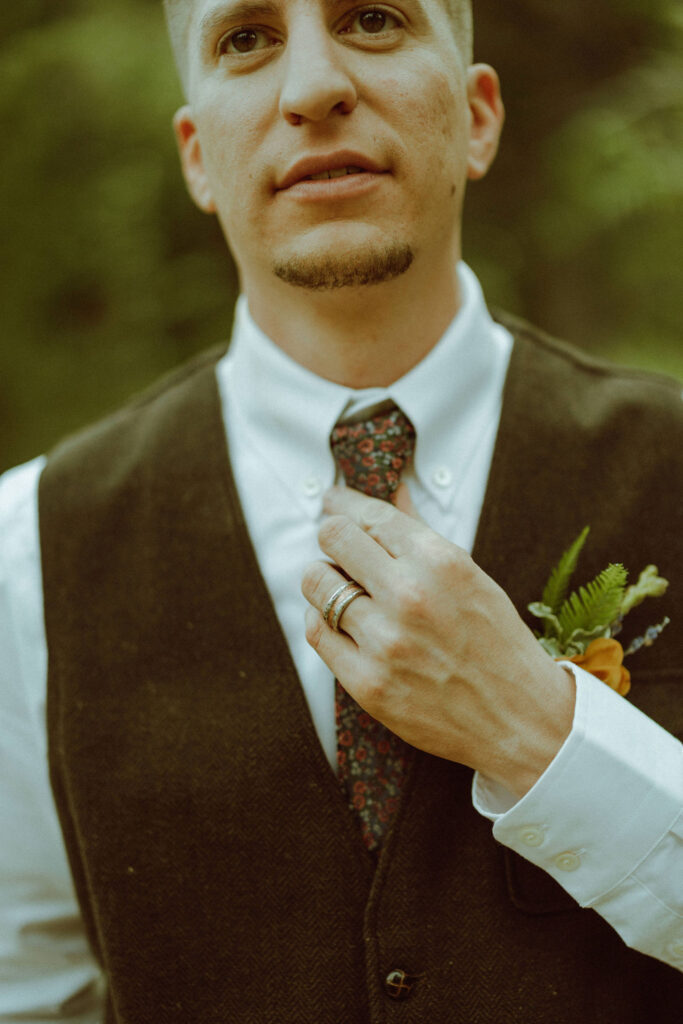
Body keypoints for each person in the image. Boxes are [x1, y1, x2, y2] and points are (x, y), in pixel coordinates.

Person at [0, 0, 681, 1020]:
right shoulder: (26, 551)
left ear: (478, 114)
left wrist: (543, 737)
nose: (313, 87)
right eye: (245, 40)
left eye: (371, 19)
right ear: (195, 155)